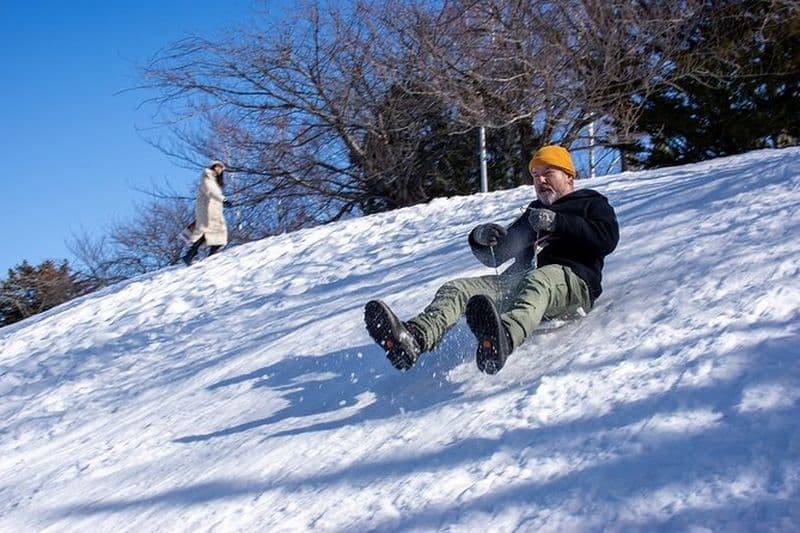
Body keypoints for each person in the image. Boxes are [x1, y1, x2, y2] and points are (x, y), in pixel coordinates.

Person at [364, 145, 619, 374]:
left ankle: (502, 340)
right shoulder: (534, 214)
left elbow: (607, 239)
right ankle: (414, 339)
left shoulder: (590, 203)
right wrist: (480, 238)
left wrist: (559, 222)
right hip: (519, 281)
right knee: (458, 288)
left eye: (548, 172)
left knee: (540, 280)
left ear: (569, 176)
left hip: (571, 281)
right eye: (535, 175)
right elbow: (497, 256)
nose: (540, 180)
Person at [182, 160, 231, 266]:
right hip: (207, 210)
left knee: (215, 233)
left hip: (213, 211)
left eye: (221, 168)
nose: (219, 169)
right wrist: (223, 200)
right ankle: (193, 254)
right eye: (217, 166)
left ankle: (194, 254)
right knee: (207, 232)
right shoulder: (207, 177)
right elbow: (211, 192)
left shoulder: (213, 180)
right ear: (213, 167)